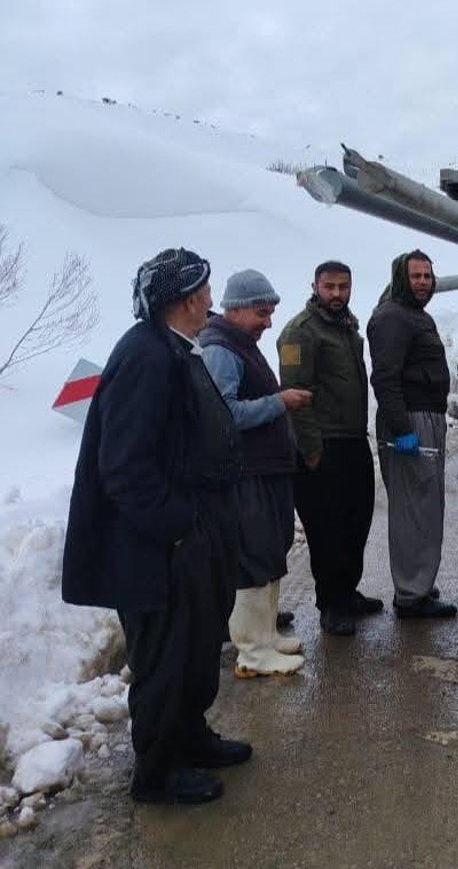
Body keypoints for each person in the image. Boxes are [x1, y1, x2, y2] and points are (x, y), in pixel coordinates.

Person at [62, 248, 249, 805]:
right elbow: (123, 467)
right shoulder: (146, 357)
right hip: (156, 549)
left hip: (186, 535)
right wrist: (179, 526)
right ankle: (157, 772)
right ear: (190, 298)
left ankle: (189, 737)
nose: (212, 302)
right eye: (206, 292)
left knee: (194, 647)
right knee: (165, 658)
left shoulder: (172, 347)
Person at [198, 270, 309, 677]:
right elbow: (223, 412)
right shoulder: (221, 350)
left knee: (271, 549)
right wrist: (279, 403)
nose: (268, 321)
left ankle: (266, 635)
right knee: (253, 557)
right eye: (263, 312)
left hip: (268, 470)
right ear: (238, 309)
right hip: (248, 473)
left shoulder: (241, 342)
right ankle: (251, 651)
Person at [276, 261, 380, 636]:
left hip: (352, 441)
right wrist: (311, 450)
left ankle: (347, 592)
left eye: (343, 286)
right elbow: (296, 395)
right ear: (315, 286)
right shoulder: (300, 332)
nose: (337, 293)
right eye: (329, 286)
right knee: (327, 530)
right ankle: (331, 604)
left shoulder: (347, 327)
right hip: (322, 446)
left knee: (357, 522)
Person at [367, 250, 457, 619]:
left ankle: (418, 582)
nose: (423, 282)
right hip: (410, 422)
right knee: (413, 508)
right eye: (416, 276)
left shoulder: (414, 315)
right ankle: (411, 595)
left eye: (427, 276)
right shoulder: (391, 317)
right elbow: (385, 378)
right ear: (401, 278)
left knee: (426, 504)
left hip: (425, 418)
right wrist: (403, 429)